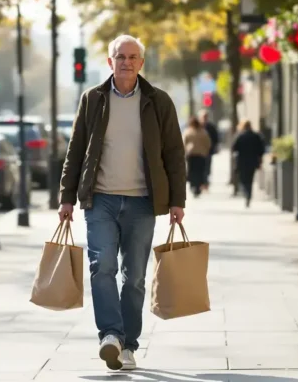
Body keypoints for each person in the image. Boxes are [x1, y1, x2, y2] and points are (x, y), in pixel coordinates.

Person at [58, 34, 187, 371]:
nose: (126, 62)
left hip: (143, 203)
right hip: (100, 200)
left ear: (141, 63)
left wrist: (177, 200)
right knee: (102, 267)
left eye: (132, 57)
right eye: (120, 56)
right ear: (110, 61)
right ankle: (111, 336)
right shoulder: (93, 100)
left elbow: (174, 153)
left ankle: (128, 345)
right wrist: (66, 197)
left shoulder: (158, 102)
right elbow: (76, 150)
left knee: (134, 278)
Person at [232, 120, 265, 207]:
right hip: (253, 161)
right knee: (250, 178)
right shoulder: (256, 136)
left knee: (243, 179)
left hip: (242, 161)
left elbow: (234, 148)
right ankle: (249, 194)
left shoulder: (240, 136)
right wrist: (260, 160)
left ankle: (246, 193)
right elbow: (261, 149)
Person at [183, 116, 211, 197]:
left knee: (191, 171)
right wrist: (205, 151)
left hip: (191, 154)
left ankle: (193, 186)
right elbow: (208, 143)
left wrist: (185, 151)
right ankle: (198, 187)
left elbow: (183, 143)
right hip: (201, 155)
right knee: (200, 171)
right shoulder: (203, 132)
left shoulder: (187, 132)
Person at [198, 110, 219, 190]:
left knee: (207, 167)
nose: (204, 118)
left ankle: (205, 183)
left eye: (206, 116)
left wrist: (215, 147)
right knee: (200, 167)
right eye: (203, 116)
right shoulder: (197, 126)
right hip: (199, 151)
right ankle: (201, 183)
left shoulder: (211, 127)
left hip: (208, 151)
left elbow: (215, 138)